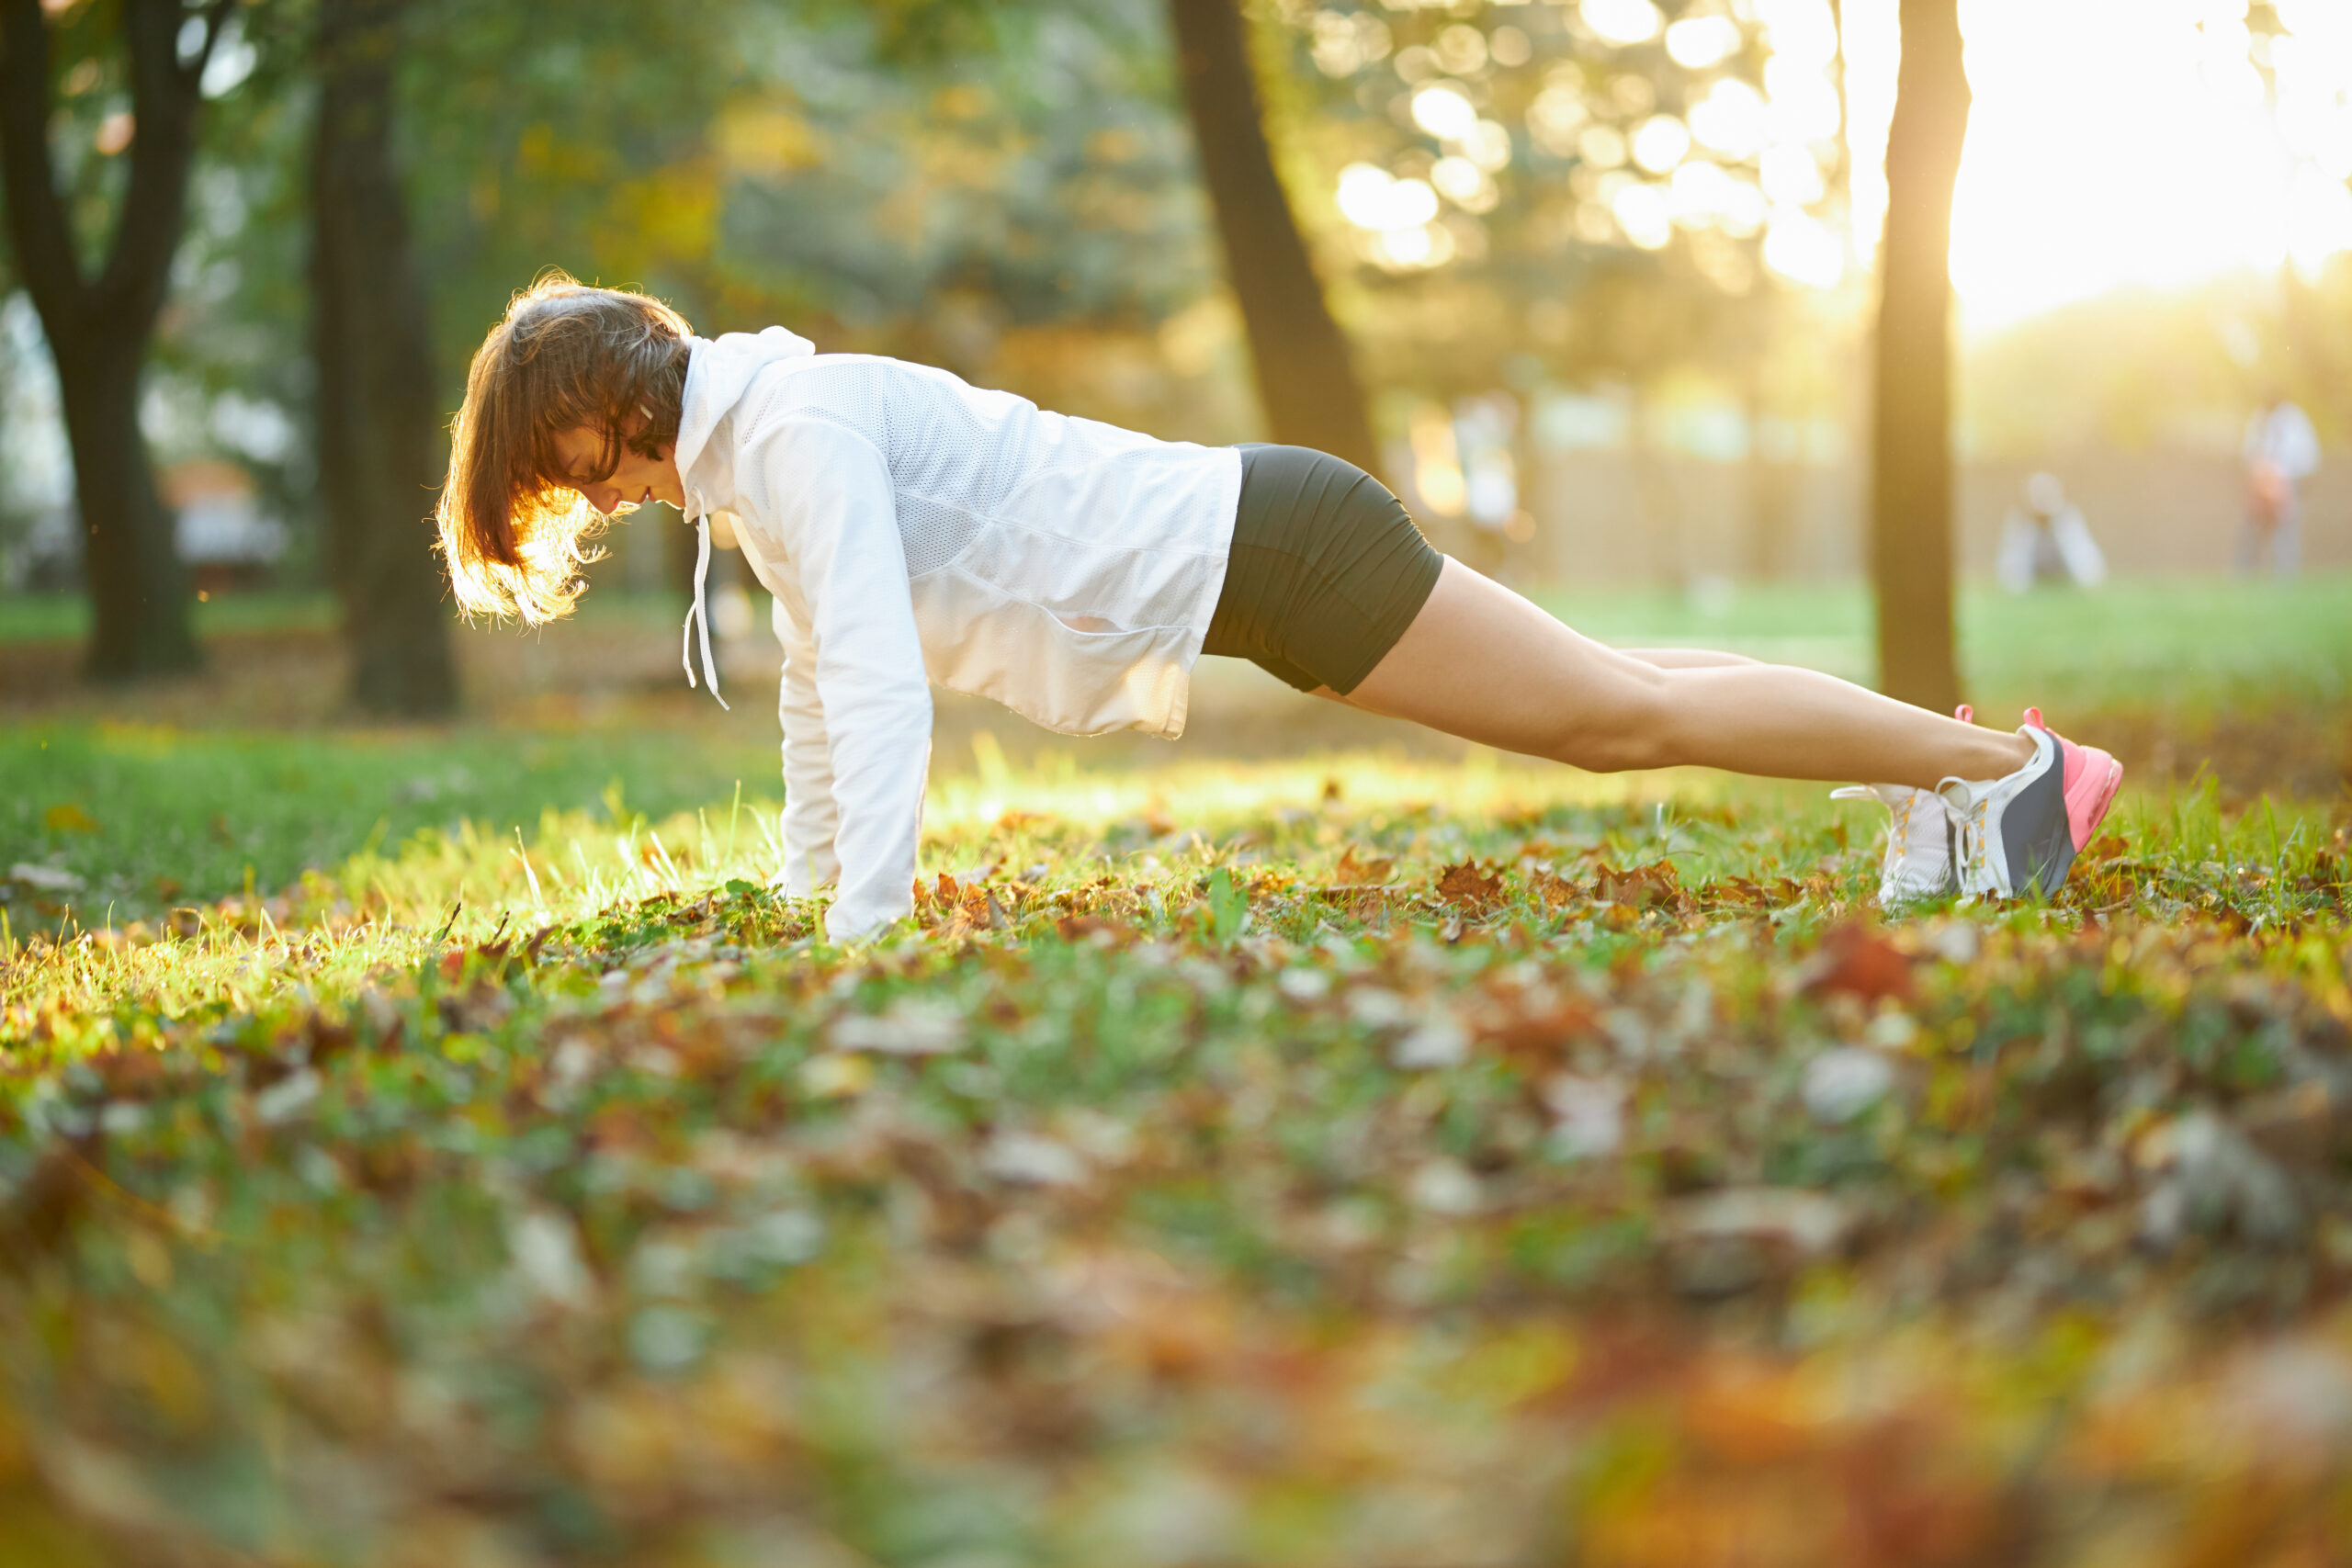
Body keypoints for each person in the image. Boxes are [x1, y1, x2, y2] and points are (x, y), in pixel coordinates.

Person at [435, 276, 2123, 941]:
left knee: (1622, 719)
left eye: (562, 459)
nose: (576, 494)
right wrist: (809, 898)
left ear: (606, 399)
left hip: (1280, 548)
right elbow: (817, 686)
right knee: (1626, 688)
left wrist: (855, 933)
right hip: (1264, 554)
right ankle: (1954, 769)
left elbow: (876, 688)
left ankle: (2008, 777)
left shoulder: (789, 433)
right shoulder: (762, 446)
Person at [2239, 392, 2320, 576]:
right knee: (2252, 529)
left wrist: (2288, 477)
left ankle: (2286, 576)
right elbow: (2249, 450)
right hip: (2261, 482)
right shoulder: (2259, 417)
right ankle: (2244, 575)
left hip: (2286, 482)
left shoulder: (2295, 418)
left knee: (2286, 530)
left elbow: (2307, 454)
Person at [1996, 472, 2105, 593]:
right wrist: (2016, 588)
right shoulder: (2019, 520)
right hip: (2036, 576)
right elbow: (2014, 559)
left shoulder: (2068, 517)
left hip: (2062, 575)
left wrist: (2088, 584)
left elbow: (2081, 554)